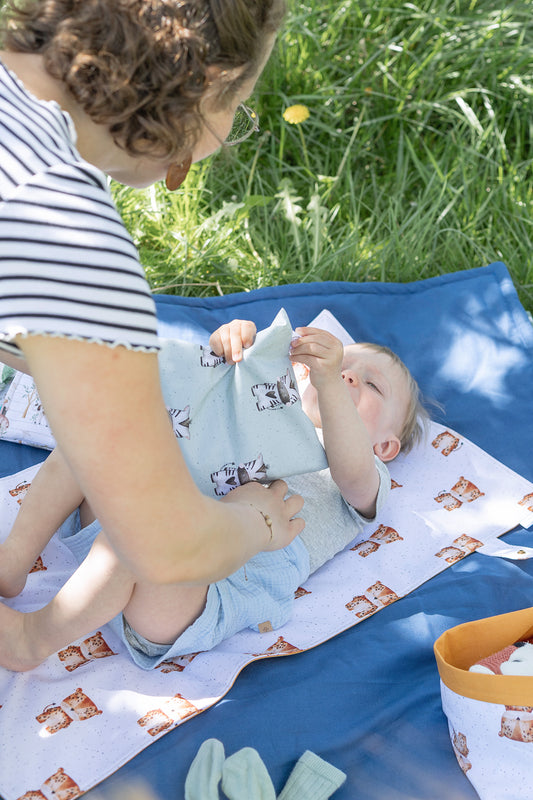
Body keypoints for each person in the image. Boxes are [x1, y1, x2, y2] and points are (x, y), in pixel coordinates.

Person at [0, 0, 305, 593]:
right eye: (238, 108)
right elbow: (170, 547)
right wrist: (256, 521)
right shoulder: (75, 243)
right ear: (206, 84)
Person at [0, 320, 428, 671]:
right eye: (340, 364)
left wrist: (331, 383)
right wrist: (232, 353)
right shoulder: (269, 410)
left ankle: (31, 640)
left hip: (193, 591)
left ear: (385, 446)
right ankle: (13, 562)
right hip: (122, 533)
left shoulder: (365, 470)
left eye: (372, 386)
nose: (348, 375)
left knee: (173, 529)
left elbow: (352, 472)